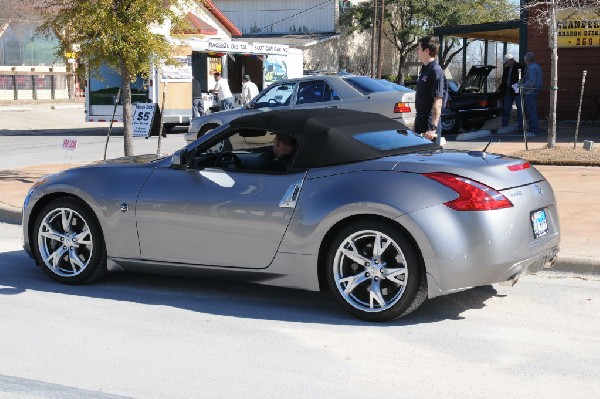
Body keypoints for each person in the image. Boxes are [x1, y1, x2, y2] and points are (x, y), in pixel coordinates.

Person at [414, 35, 447, 141]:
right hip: (421, 121)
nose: (417, 51)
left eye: (419, 49)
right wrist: (416, 125)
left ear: (426, 50)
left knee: (429, 156)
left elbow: (438, 103)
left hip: (429, 125)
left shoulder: (435, 71)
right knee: (417, 156)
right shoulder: (425, 69)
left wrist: (432, 128)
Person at [497, 53, 524, 131]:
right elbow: (504, 81)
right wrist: (500, 88)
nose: (506, 63)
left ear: (511, 60)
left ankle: (520, 126)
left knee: (520, 108)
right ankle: (505, 126)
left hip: (517, 91)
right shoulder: (506, 69)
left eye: (507, 62)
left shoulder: (520, 67)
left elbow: (523, 79)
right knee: (506, 108)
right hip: (508, 90)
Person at [522, 51, 543, 137]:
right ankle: (534, 129)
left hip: (530, 91)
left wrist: (521, 86)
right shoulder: (537, 66)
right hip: (535, 91)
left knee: (531, 112)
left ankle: (533, 131)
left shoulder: (531, 68)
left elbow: (531, 82)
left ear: (526, 59)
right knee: (532, 111)